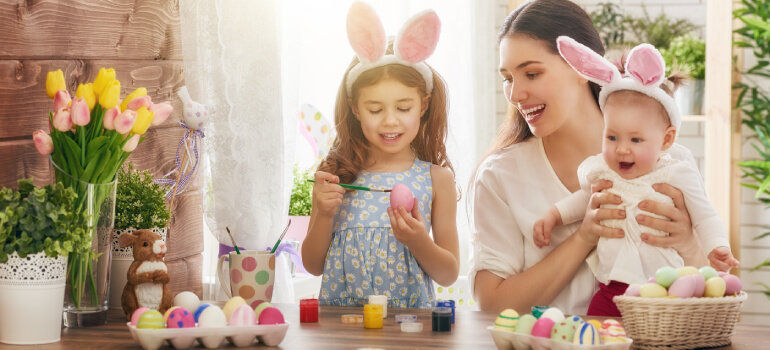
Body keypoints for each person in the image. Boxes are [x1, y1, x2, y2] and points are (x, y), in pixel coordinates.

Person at [468, 0, 710, 315]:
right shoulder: (499, 176)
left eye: (531, 73)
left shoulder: (670, 161)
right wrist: (583, 237)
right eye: (508, 78)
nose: (515, 95)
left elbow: (717, 288)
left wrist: (689, 243)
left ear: (582, 68)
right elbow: (492, 303)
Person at [531, 37, 739, 316]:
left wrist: (718, 246)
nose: (622, 149)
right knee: (595, 330)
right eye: (612, 136)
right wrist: (554, 216)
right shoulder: (604, 171)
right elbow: (584, 200)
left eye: (636, 139)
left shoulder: (676, 174)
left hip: (664, 288)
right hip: (611, 290)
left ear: (666, 140)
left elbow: (705, 215)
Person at [301, 2, 460, 309]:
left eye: (403, 108)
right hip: (342, 331)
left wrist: (417, 241)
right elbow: (313, 265)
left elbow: (448, 274)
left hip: (410, 331)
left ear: (424, 106)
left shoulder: (437, 179)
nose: (390, 120)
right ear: (355, 107)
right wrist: (322, 212)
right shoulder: (337, 174)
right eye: (375, 109)